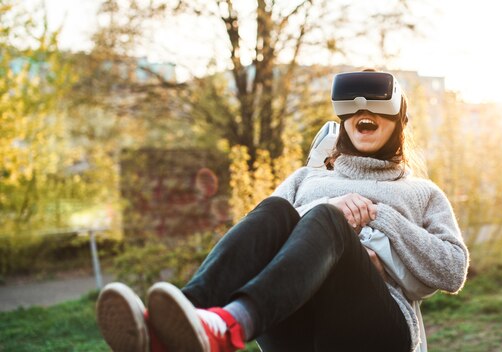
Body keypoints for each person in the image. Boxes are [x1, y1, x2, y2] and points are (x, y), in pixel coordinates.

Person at [96, 70, 470, 352]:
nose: (363, 109)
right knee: (276, 209)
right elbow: (262, 243)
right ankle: (179, 322)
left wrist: (379, 216)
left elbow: (453, 270)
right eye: (352, 104)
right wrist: (327, 209)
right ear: (342, 119)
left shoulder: (422, 192)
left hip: (377, 327)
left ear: (398, 122)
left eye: (375, 104)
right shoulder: (305, 178)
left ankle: (232, 325)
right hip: (292, 314)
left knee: (328, 219)